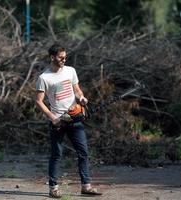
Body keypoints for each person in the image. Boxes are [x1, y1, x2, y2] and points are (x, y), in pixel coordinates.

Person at [35, 43, 102, 198]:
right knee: (56, 155)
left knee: (83, 152)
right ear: (52, 57)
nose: (64, 59)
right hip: (58, 121)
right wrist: (53, 118)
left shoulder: (71, 71)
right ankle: (53, 189)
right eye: (61, 57)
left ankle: (86, 186)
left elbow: (77, 90)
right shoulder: (44, 78)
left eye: (65, 57)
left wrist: (82, 98)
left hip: (75, 119)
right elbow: (39, 101)